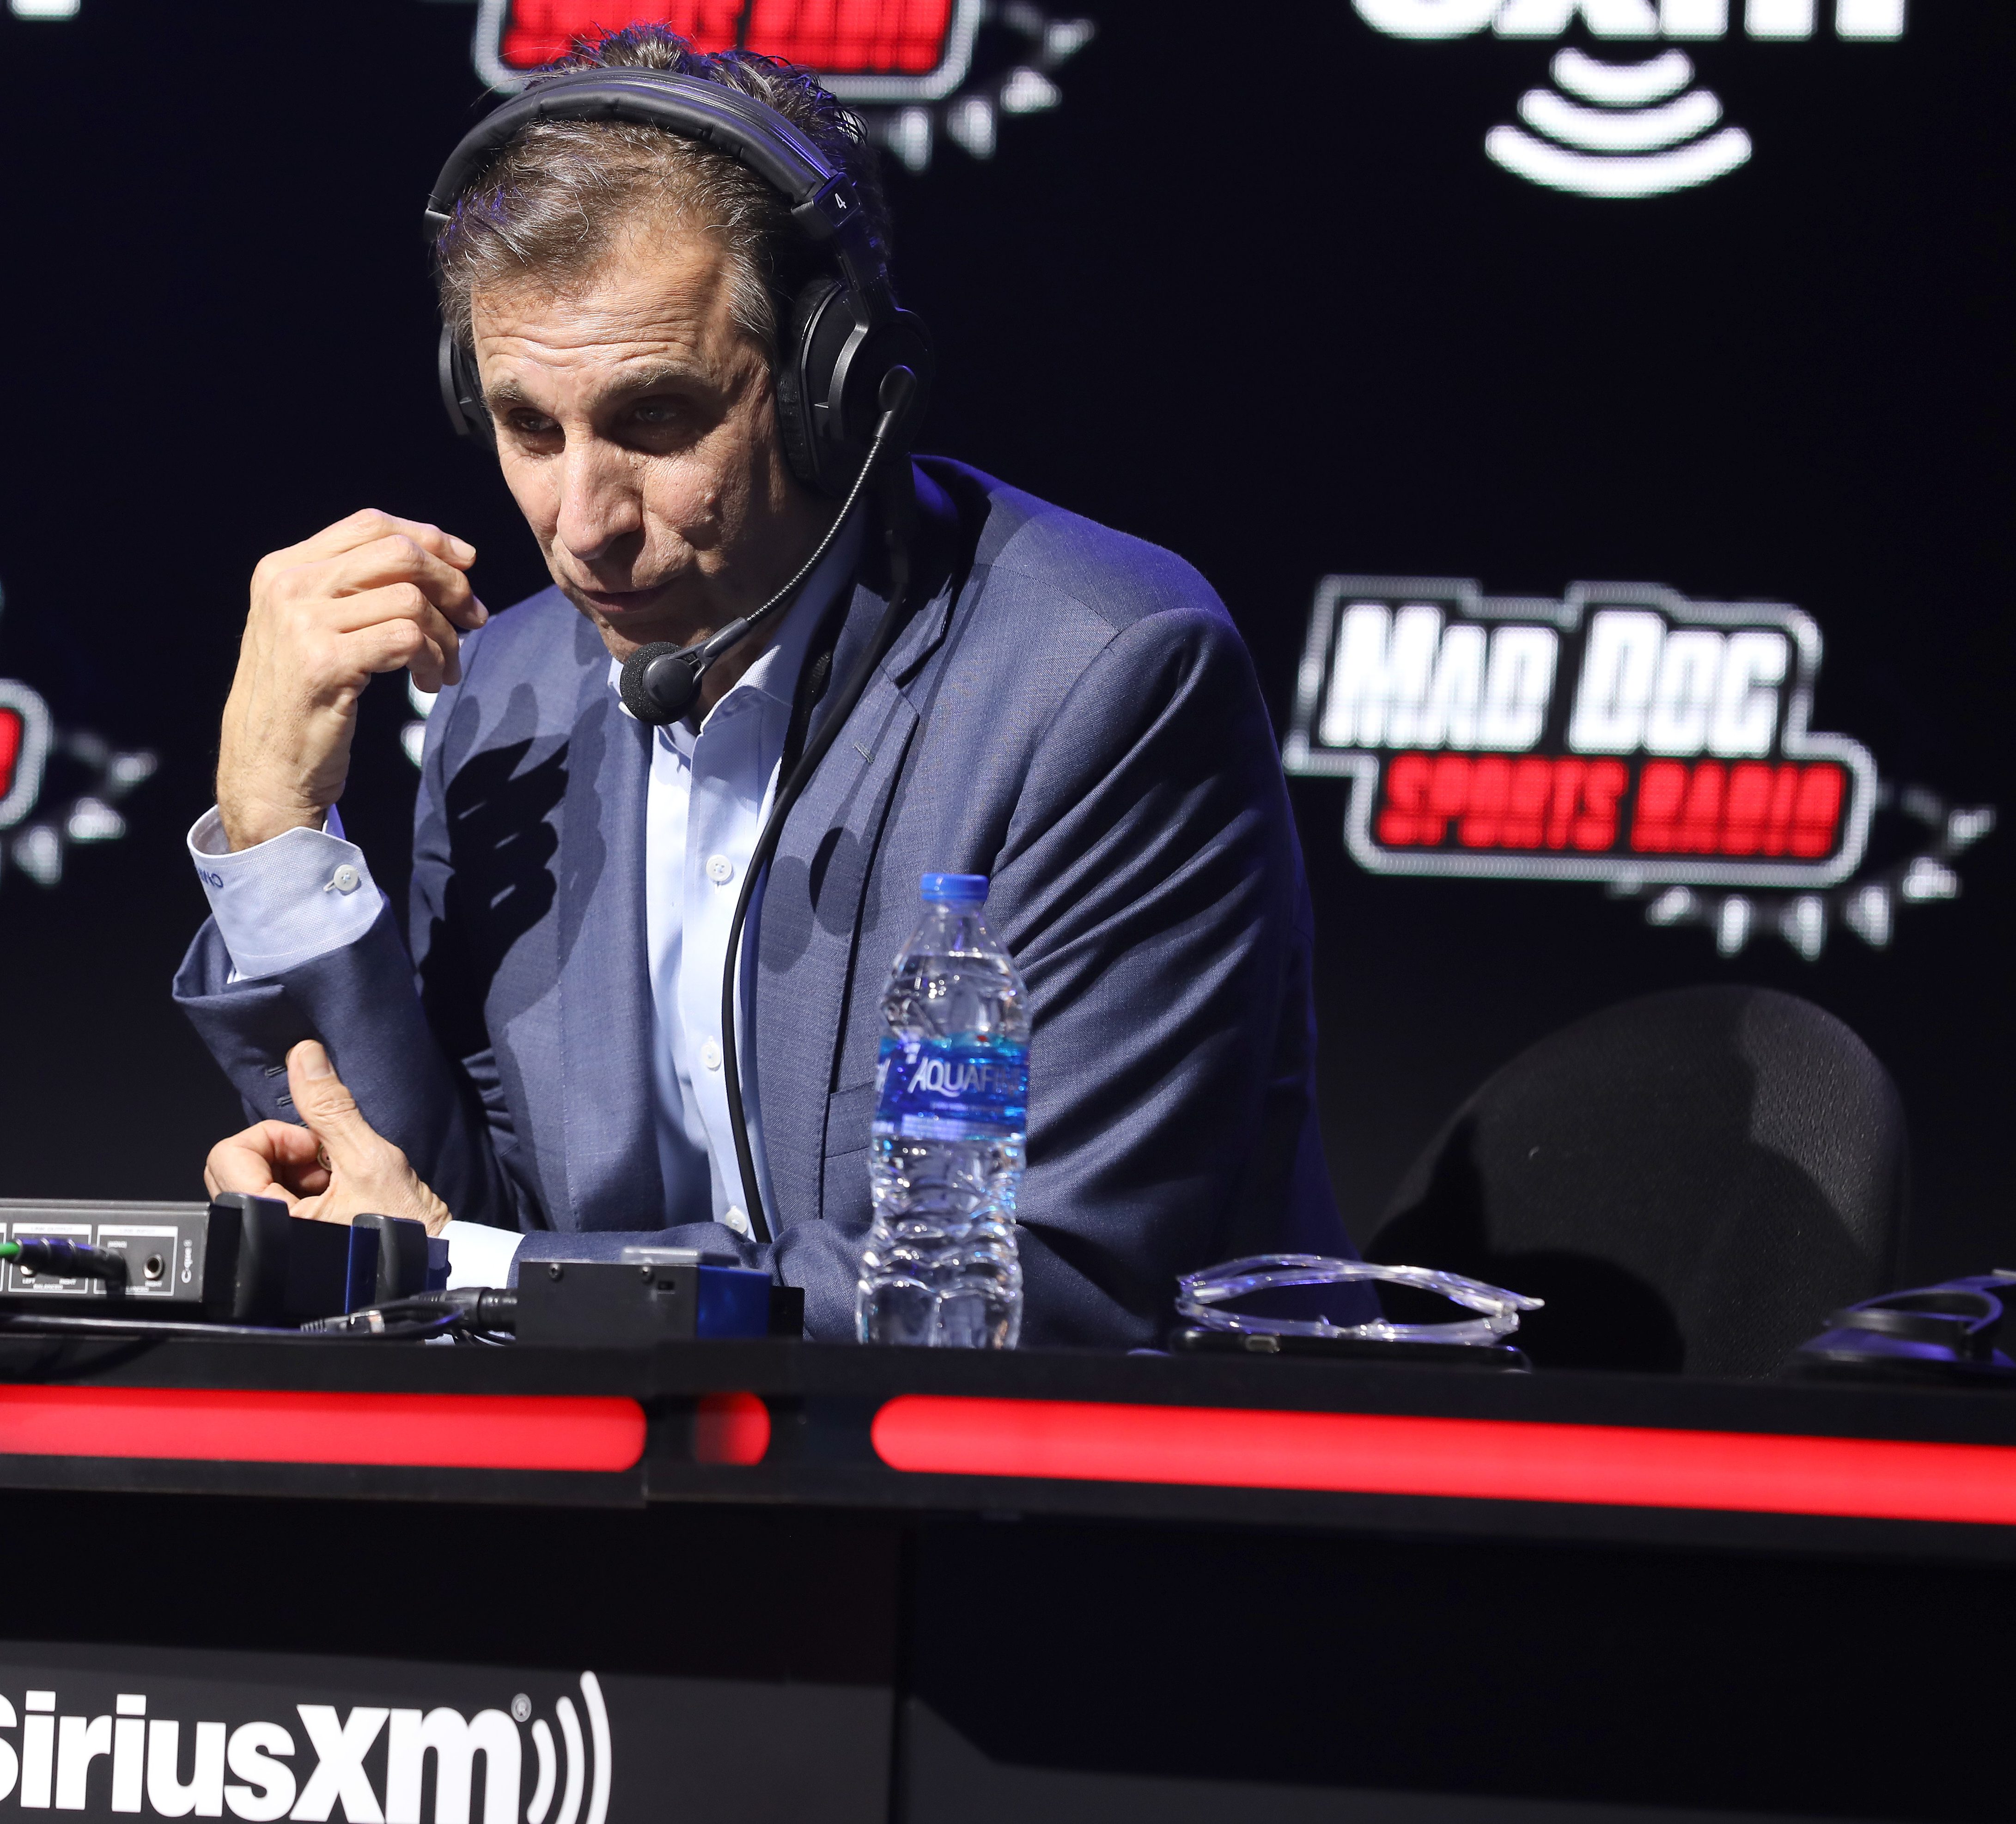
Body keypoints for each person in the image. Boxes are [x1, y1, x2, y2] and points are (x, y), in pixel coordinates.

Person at [171, 26, 1357, 1347]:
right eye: (528, 427)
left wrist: (470, 1269)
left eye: (655, 417)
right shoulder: (508, 694)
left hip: (1059, 1473)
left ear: (831, 391)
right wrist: (274, 835)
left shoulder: (1101, 677)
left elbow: (1049, 1281)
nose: (582, 526)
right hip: (641, 1467)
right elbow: (455, 1213)